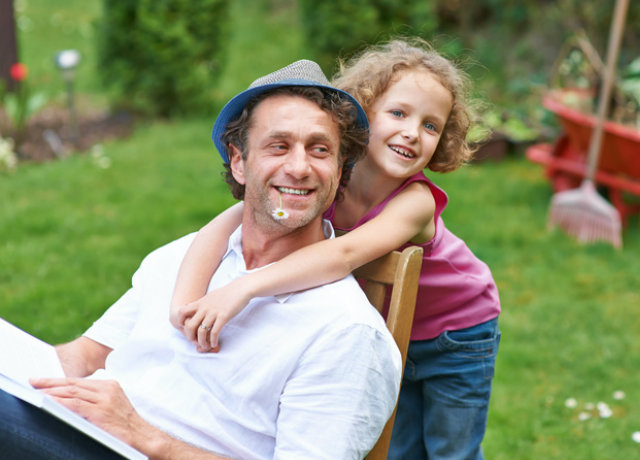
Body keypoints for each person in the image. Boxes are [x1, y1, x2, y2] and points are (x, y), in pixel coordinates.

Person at [0, 60, 402, 460]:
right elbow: (86, 355)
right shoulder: (186, 256)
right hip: (82, 431)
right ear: (239, 161)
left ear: (338, 169)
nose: (299, 168)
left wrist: (146, 437)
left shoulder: (346, 332)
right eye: (278, 146)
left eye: (319, 150)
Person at [171, 39, 501, 460]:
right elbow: (227, 220)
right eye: (398, 113)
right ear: (362, 114)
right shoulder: (328, 179)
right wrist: (184, 303)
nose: (411, 133)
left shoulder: (416, 202)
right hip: (390, 335)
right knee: (400, 451)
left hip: (457, 337)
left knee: (451, 451)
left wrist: (245, 287)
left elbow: (344, 255)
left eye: (430, 126)